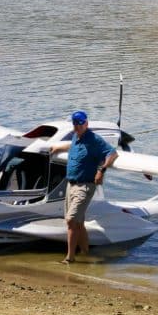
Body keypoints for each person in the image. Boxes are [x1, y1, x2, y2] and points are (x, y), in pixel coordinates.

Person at [50, 110, 118, 264]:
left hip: (85, 186)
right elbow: (72, 145)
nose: (77, 126)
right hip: (71, 185)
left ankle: (70, 257)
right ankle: (86, 252)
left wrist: (101, 170)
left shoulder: (94, 139)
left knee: (71, 221)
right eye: (75, 123)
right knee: (79, 222)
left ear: (86, 123)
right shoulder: (76, 136)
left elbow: (112, 153)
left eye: (80, 123)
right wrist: (59, 148)